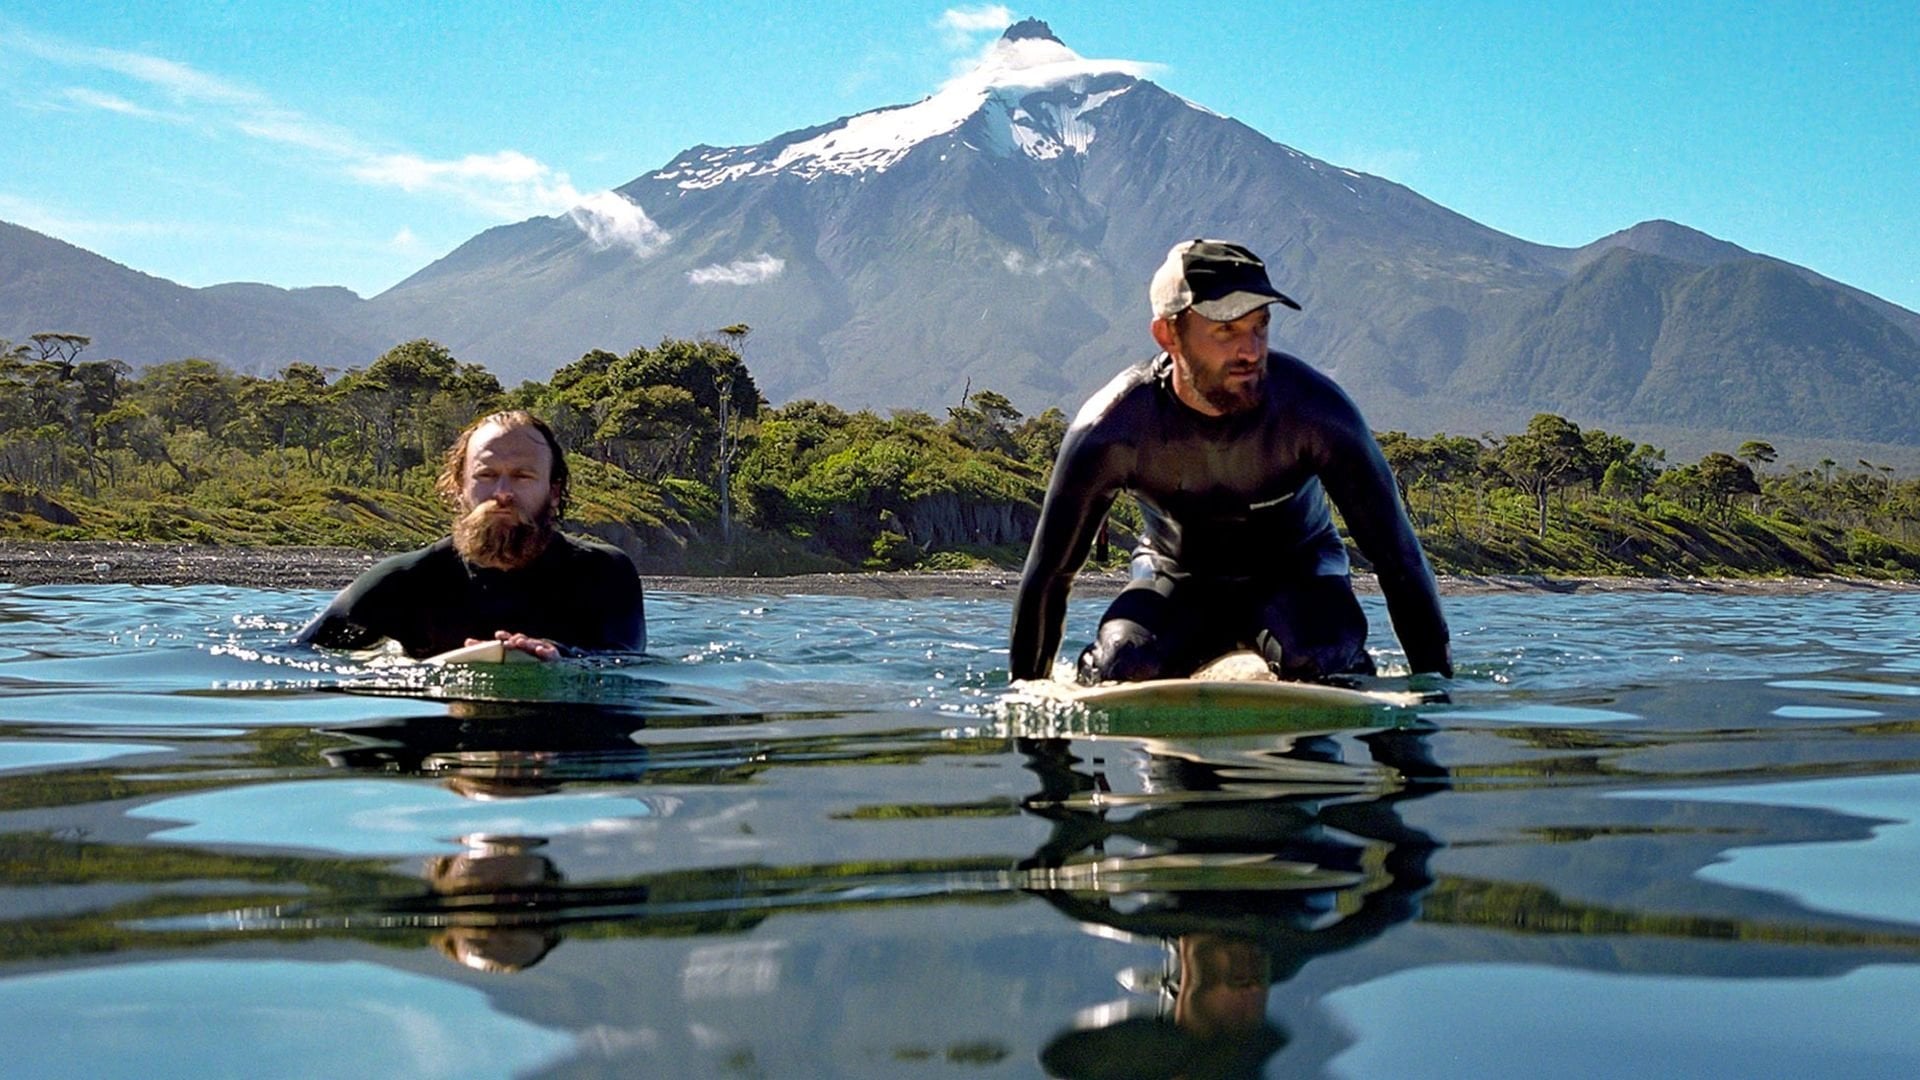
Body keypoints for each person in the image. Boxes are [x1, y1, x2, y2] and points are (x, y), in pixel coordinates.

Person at [1009, 239, 1451, 684]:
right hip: (1173, 578)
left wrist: (1435, 694)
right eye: (1226, 330)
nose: (1251, 350)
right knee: (1120, 666)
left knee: (1317, 657)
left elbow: (1400, 561)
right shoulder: (1113, 429)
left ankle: (1331, 665)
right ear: (1168, 334)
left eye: (1260, 326)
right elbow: (1049, 574)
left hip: (1299, 576)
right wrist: (1026, 698)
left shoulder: (1316, 413)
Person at [297, 409, 646, 660]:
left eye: (522, 476)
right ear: (459, 487)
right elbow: (298, 659)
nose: (502, 493)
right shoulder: (402, 582)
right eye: (486, 475)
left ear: (553, 491)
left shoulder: (604, 574)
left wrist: (562, 657)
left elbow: (625, 663)